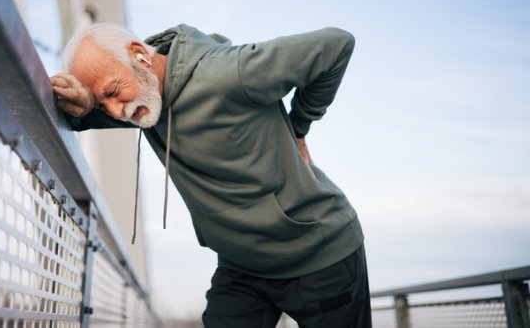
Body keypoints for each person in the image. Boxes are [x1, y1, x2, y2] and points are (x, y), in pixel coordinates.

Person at [51, 23, 371, 327]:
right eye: (105, 105)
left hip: (318, 256)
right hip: (242, 268)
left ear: (139, 55)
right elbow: (77, 116)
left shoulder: (228, 73)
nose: (117, 112)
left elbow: (336, 45)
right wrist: (89, 101)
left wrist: (299, 125)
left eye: (112, 92)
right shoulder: (139, 101)